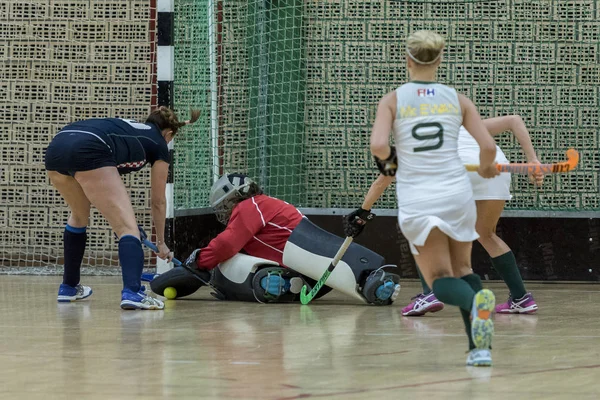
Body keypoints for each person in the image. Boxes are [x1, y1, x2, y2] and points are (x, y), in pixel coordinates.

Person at [368, 30, 499, 366]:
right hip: (457, 194)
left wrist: (392, 165)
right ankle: (479, 350)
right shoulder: (458, 99)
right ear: (439, 61)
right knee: (462, 268)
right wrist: (486, 169)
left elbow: (379, 146)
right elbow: (487, 148)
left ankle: (477, 302)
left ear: (407, 60)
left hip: (420, 197)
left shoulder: (393, 100)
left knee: (440, 282)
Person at [347, 116, 543, 317]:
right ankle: (521, 299)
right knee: (486, 234)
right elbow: (514, 121)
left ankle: (430, 294)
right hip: (493, 169)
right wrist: (533, 159)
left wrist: (363, 212)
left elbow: (382, 182)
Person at [152, 173, 400, 305]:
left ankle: (274, 285)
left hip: (302, 254)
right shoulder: (267, 204)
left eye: (224, 207)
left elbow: (227, 244)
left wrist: (200, 261)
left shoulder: (250, 206)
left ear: (232, 199)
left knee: (228, 261)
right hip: (304, 266)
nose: (225, 213)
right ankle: (283, 284)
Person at [44, 107, 199, 310]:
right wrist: (161, 243)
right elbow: (158, 201)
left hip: (57, 147)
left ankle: (69, 287)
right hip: (89, 148)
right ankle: (133, 293)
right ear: (168, 133)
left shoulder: (132, 128)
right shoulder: (159, 142)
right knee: (128, 228)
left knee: (79, 217)